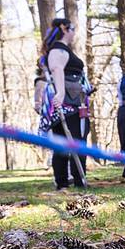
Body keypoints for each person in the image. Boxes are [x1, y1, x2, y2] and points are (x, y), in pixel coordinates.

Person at [39, 16, 91, 190]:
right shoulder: (58, 50)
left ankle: (69, 181)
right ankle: (72, 181)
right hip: (68, 101)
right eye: (73, 28)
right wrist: (60, 94)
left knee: (70, 140)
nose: (74, 32)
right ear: (64, 28)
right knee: (74, 141)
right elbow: (56, 69)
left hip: (74, 98)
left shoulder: (62, 49)